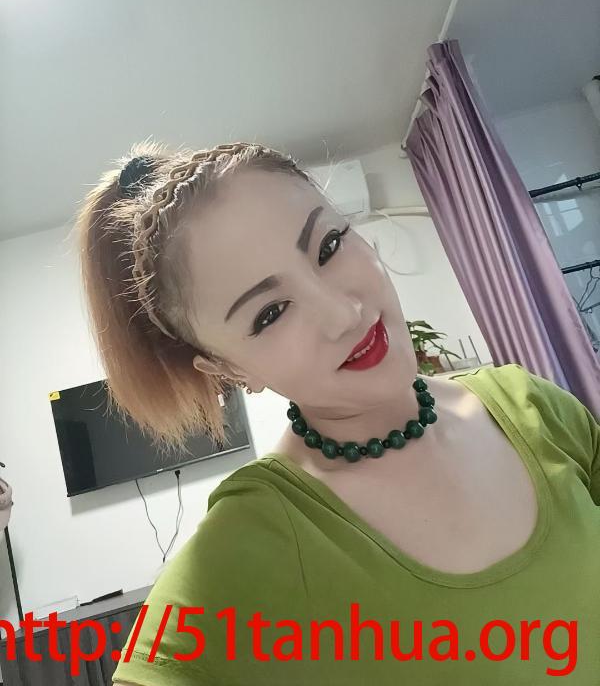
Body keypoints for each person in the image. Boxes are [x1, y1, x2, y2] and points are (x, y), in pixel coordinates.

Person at [75, 140, 600, 685]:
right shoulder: (253, 541)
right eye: (271, 313)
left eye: (328, 245)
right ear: (228, 370)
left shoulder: (532, 406)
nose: (343, 314)